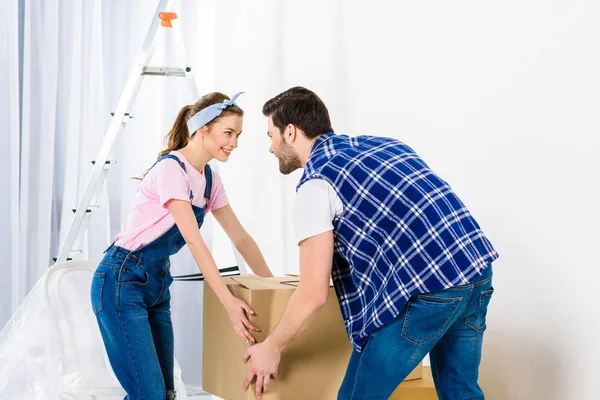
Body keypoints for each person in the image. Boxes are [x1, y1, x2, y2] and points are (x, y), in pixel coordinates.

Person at [242, 87, 498, 400]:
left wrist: (271, 346)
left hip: (431, 290)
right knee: (461, 392)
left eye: (271, 136)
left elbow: (313, 293)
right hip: (475, 268)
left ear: (291, 132)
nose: (270, 147)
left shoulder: (317, 184)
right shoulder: (385, 146)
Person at [91, 92, 273, 400]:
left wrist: (274, 287)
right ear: (202, 129)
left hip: (157, 284)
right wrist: (229, 304)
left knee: (165, 394)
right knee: (149, 394)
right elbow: (194, 240)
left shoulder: (210, 179)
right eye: (228, 133)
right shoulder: (171, 170)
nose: (235, 143)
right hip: (122, 281)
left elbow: (240, 238)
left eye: (238, 135)